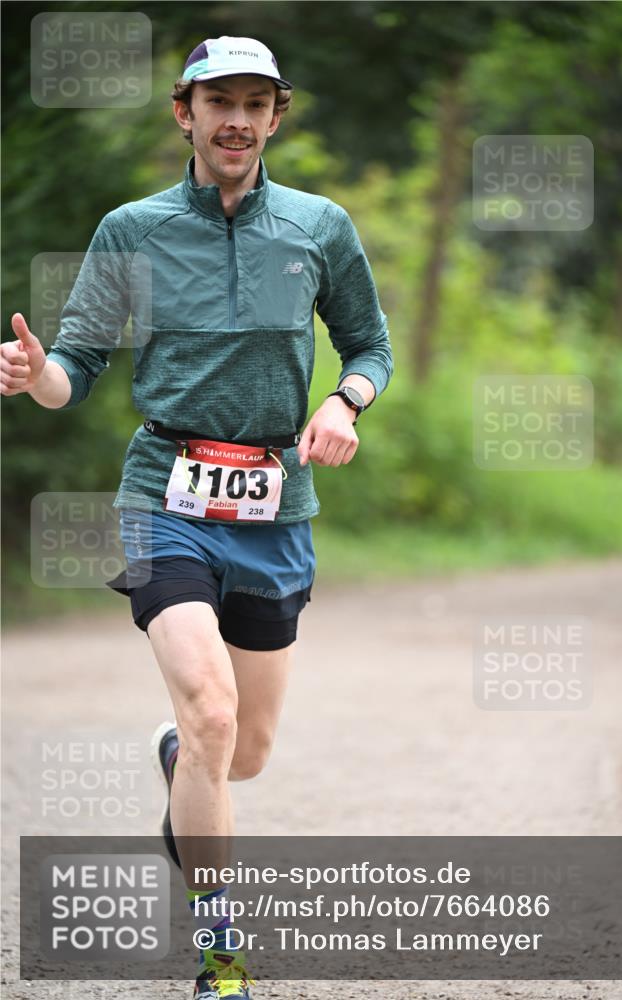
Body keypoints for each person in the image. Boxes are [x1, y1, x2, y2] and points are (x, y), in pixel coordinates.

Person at [0, 35, 393, 999]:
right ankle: (220, 948)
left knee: (240, 752)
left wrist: (344, 402)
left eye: (256, 103)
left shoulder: (317, 226)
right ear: (184, 111)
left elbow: (368, 344)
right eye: (220, 100)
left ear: (274, 117)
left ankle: (181, 761)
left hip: (275, 507)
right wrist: (35, 375)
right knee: (213, 712)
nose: (237, 119)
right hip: (162, 496)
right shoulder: (132, 229)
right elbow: (77, 367)